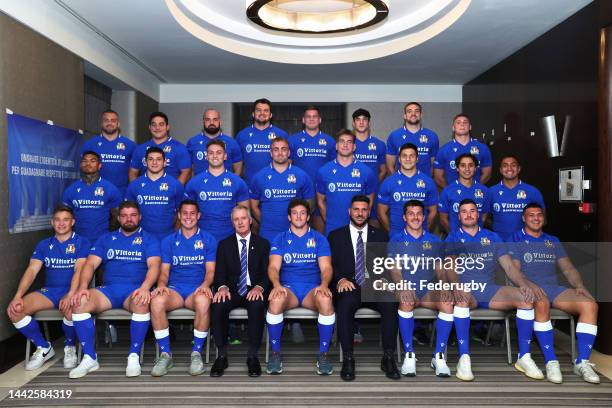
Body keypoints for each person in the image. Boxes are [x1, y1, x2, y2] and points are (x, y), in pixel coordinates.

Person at [444, 199, 547, 382]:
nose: (468, 214)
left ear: (478, 214)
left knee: (525, 298)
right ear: (459, 216)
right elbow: (450, 265)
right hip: (466, 290)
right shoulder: (452, 237)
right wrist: (456, 285)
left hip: (490, 291)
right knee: (461, 299)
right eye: (464, 211)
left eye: (472, 211)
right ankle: (464, 358)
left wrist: (523, 284)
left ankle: (524, 357)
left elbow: (508, 266)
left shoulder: (492, 237)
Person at [67, 201, 161, 379]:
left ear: (140, 217)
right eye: (124, 215)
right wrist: (82, 288)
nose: (129, 219)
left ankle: (133, 356)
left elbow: (154, 266)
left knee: (141, 303)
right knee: (79, 303)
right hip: (108, 291)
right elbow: (89, 265)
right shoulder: (106, 238)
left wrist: (145, 288)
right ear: (118, 218)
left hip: (134, 291)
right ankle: (89, 357)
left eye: (133, 215)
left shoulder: (149, 239)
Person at [510, 203, 600, 384]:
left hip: (554, 289)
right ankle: (551, 361)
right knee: (541, 302)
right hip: (530, 288)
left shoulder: (553, 240)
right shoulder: (516, 239)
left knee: (590, 305)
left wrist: (579, 284)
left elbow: (568, 269)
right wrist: (529, 285)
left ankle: (582, 362)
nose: (536, 218)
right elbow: (514, 271)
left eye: (539, 215)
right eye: (531, 215)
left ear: (544, 218)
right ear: (523, 218)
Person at [7, 206, 90, 370]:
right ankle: (44, 347)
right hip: (49, 291)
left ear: (73, 222)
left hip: (71, 290)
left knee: (72, 307)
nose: (61, 224)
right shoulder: (44, 244)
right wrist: (18, 295)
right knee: (16, 310)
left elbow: (79, 270)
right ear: (52, 223)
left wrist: (70, 293)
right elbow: (32, 270)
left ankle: (70, 347)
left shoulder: (81, 242)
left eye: (65, 220)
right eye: (57, 220)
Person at [328, 195, 399, 381]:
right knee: (344, 305)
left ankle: (389, 357)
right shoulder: (335, 236)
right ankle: (348, 359)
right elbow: (329, 265)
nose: (360, 213)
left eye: (364, 210)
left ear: (369, 212)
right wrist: (340, 279)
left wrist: (385, 280)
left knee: (391, 301)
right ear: (349, 211)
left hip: (374, 285)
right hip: (349, 285)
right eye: (356, 209)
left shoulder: (381, 236)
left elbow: (386, 265)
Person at [265, 199, 335, 375]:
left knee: (326, 300)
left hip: (312, 288)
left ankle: (324, 355)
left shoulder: (319, 239)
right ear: (289, 217)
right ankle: (275, 354)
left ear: (308, 216)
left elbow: (326, 267)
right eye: (295, 213)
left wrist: (324, 284)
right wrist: (276, 284)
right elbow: (273, 267)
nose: (298, 216)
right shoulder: (280, 239)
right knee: (275, 300)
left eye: (302, 213)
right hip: (289, 288)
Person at [149, 199, 217, 377]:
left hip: (197, 289)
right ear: (179, 216)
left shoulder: (208, 239)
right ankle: (165, 354)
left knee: (203, 300)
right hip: (176, 289)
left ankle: (196, 353)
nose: (188, 217)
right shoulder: (169, 240)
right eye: (184, 213)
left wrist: (205, 285)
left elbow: (210, 271)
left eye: (192, 213)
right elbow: (164, 272)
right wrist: (162, 285)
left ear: (198, 216)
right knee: (156, 301)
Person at [387, 200, 454, 378]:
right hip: (408, 288)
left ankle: (438, 356)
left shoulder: (434, 240)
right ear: (404, 217)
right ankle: (409, 355)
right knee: (406, 300)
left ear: (424, 217)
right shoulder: (396, 239)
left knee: (447, 303)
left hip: (428, 290)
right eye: (411, 213)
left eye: (419, 214)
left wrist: (445, 286)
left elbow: (440, 269)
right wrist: (402, 286)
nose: (415, 217)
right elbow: (394, 269)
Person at [211, 205, 270, 377]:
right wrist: (221, 287)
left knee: (257, 305)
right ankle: (221, 354)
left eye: (243, 218)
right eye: (236, 219)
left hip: (255, 289)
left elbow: (269, 273)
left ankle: (253, 355)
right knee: (218, 304)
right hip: (232, 290)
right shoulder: (224, 245)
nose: (240, 222)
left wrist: (260, 287)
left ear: (250, 221)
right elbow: (219, 273)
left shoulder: (263, 244)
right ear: (232, 223)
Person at [249, 137, 315, 242]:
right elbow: (253, 206)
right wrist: (267, 222)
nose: (280, 153)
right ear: (271, 153)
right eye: (276, 149)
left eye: (283, 149)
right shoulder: (259, 177)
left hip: (295, 234)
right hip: (268, 235)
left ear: (289, 153)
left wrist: (298, 222)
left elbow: (310, 206)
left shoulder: (302, 176)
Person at [184, 139, 250, 243]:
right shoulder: (194, 182)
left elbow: (245, 214)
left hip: (231, 238)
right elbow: (186, 213)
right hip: (202, 239)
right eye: (211, 153)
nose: (215, 156)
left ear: (225, 156)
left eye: (219, 153)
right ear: (206, 156)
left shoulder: (238, 182)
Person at [316, 129, 376, 235]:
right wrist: (329, 221)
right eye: (342, 141)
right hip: (332, 229)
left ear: (354, 147)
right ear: (336, 146)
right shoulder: (324, 171)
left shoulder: (366, 172)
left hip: (358, 229)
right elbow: (320, 201)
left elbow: (370, 201)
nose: (345, 145)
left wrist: (360, 219)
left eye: (349, 142)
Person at [289, 106, 336, 233]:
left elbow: (335, 167)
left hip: (322, 192)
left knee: (320, 231)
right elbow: (287, 166)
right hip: (300, 193)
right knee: (299, 231)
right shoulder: (293, 140)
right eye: (308, 117)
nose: (311, 119)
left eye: (314, 116)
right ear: (303, 120)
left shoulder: (329, 141)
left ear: (320, 120)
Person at [378, 143, 438, 237]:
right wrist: (392, 233)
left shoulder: (428, 182)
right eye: (404, 156)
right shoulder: (389, 182)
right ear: (399, 159)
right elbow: (381, 212)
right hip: (397, 237)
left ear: (417, 159)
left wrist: (424, 229)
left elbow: (433, 211)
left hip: (421, 237)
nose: (408, 159)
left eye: (412, 156)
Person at [125, 147, 184, 241]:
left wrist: (175, 235)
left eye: (158, 159)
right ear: (145, 162)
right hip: (140, 238)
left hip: (168, 237)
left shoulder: (175, 185)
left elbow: (181, 213)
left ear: (165, 163)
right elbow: (127, 213)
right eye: (151, 159)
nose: (154, 163)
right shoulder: (134, 185)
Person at [62, 151, 122, 244]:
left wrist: (108, 237)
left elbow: (117, 218)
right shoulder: (71, 190)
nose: (88, 164)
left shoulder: (110, 188)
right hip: (77, 242)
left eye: (92, 161)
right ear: (81, 165)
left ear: (99, 165)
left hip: (102, 242)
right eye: (84, 161)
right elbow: (65, 218)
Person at [489, 155, 546, 241]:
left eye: (513, 165)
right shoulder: (491, 192)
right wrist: (497, 227)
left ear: (519, 169)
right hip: (499, 242)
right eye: (505, 165)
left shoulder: (532, 191)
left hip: (525, 243)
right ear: (500, 170)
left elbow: (543, 219)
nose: (509, 168)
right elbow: (483, 218)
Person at [80, 109, 136, 195]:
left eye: (113, 120)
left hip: (122, 194)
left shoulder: (130, 145)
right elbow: (82, 171)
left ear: (118, 124)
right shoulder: (90, 145)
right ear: (101, 123)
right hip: (96, 193)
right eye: (106, 120)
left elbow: (136, 172)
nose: (109, 123)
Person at [236, 98, 288, 186]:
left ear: (271, 115)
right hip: (249, 185)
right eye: (258, 110)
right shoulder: (242, 135)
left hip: (275, 185)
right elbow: (237, 163)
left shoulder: (281, 134)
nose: (262, 113)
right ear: (253, 114)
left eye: (266, 111)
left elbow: (288, 161)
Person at [129, 112, 191, 185]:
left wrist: (175, 191)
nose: (157, 128)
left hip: (170, 193)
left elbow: (186, 172)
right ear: (149, 127)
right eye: (154, 125)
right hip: (145, 194)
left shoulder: (179, 148)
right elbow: (133, 172)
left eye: (161, 124)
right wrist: (137, 190)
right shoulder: (140, 149)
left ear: (167, 127)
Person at [433, 114, 492, 188]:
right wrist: (450, 191)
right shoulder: (444, 150)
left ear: (470, 127)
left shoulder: (482, 148)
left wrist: (474, 188)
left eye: (465, 122)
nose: (462, 124)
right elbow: (438, 177)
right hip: (453, 196)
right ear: (453, 128)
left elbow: (487, 174)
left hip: (475, 195)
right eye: (458, 122)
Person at [352, 108, 387, 227]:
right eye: (358, 120)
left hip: (373, 193)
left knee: (373, 227)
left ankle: (369, 247)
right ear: (353, 123)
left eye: (364, 120)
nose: (361, 122)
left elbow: (383, 170)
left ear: (369, 123)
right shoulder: (347, 144)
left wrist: (373, 184)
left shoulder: (379, 145)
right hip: (352, 191)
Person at [439, 153, 491, 233]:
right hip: (455, 242)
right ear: (457, 168)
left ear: (475, 168)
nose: (467, 169)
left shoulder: (484, 191)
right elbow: (443, 219)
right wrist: (455, 238)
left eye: (470, 165)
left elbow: (483, 216)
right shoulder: (447, 191)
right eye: (463, 165)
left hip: (476, 240)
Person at [386, 102, 439, 176]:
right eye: (409, 111)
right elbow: (389, 165)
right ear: (404, 116)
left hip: (424, 184)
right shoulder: (394, 136)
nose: (413, 114)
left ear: (421, 115)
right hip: (401, 184)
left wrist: (428, 180)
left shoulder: (432, 136)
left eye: (416, 111)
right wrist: (396, 182)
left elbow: (435, 165)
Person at [187, 108, 243, 175]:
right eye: (208, 119)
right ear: (203, 122)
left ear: (220, 121)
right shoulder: (192, 142)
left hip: (225, 184)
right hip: (200, 185)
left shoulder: (232, 143)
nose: (211, 123)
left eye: (215, 119)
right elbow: (188, 170)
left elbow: (238, 168)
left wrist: (233, 184)